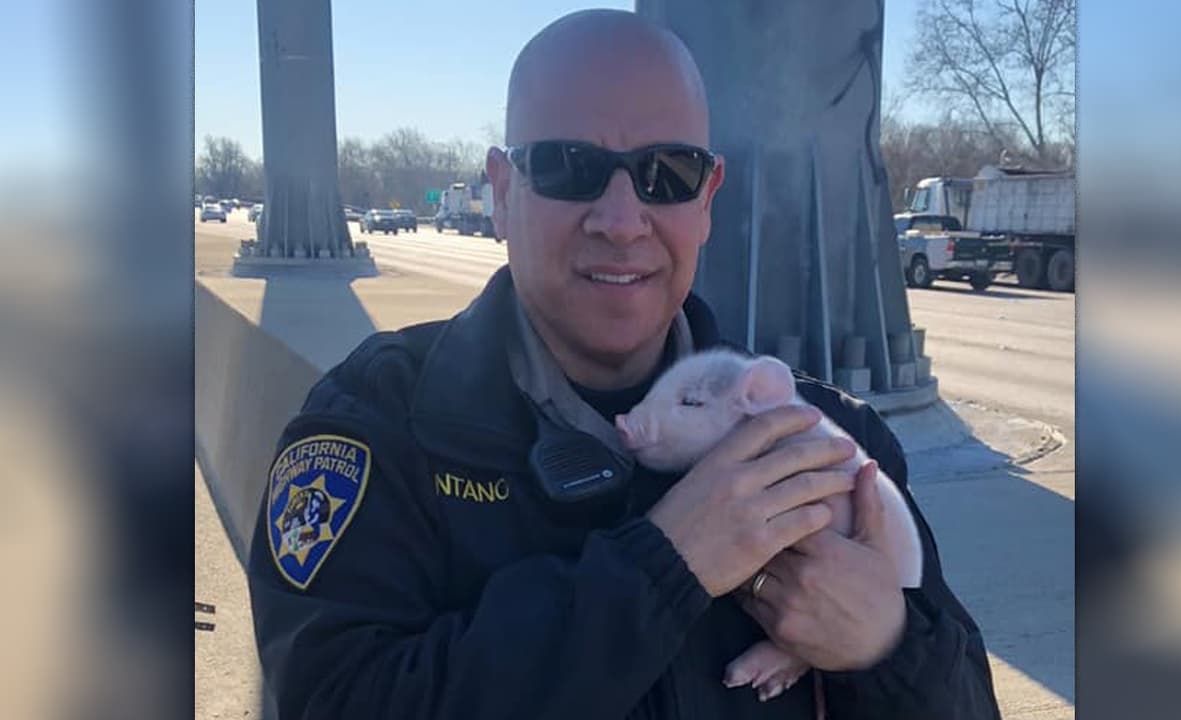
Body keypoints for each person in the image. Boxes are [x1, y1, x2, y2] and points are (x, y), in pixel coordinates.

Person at [247, 9, 1001, 719]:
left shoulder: (830, 437)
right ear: (502, 193)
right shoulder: (377, 430)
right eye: (568, 166)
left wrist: (889, 648)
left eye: (666, 172)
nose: (620, 220)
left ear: (707, 200)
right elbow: (334, 697)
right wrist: (662, 569)